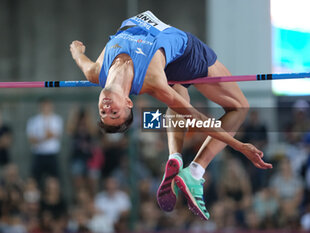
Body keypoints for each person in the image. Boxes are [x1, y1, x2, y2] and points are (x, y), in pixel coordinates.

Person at [70, 11, 272, 220]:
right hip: (186, 53)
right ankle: (195, 172)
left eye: (104, 112)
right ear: (129, 102)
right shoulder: (151, 80)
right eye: (114, 112)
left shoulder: (95, 72)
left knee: (178, 90)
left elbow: (80, 58)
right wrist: (239, 145)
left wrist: (77, 51)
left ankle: (175, 157)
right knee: (240, 107)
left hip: (163, 55)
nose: (107, 107)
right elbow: (194, 116)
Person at [26, 97, 63, 186]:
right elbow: (31, 139)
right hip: (38, 154)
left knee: (54, 181)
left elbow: (55, 135)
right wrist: (45, 137)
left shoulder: (57, 119)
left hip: (52, 154)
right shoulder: (33, 120)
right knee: (35, 180)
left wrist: (39, 138)